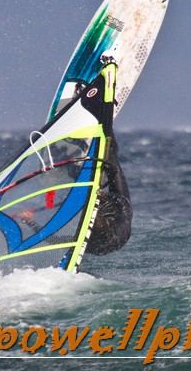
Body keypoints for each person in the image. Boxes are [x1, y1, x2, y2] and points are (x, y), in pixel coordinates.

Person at [84, 57, 132, 255]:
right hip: (118, 225)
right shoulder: (115, 213)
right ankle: (102, 105)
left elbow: (54, 239)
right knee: (112, 159)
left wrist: (31, 222)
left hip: (104, 240)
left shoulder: (85, 238)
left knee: (109, 164)